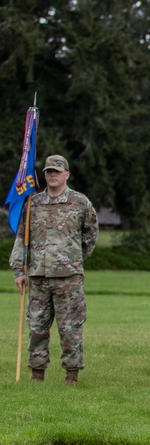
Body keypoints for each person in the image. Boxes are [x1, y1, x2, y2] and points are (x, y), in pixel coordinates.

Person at [11, 154, 98, 385]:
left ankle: (71, 374)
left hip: (68, 278)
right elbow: (22, 238)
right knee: (37, 327)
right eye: (49, 171)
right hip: (38, 276)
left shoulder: (80, 202)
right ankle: (37, 374)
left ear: (66, 174)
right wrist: (19, 269)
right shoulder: (32, 203)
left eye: (57, 171)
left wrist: (74, 258)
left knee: (70, 328)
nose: (52, 175)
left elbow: (91, 234)